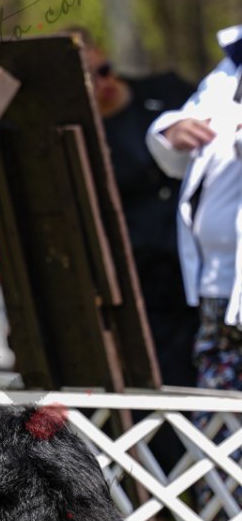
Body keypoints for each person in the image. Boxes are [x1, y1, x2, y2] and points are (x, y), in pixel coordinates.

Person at [71, 28, 198, 387]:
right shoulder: (79, 136)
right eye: (89, 80)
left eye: (104, 69)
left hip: (196, 258)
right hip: (144, 277)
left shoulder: (166, 91)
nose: (103, 83)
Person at [146, 24, 242, 391]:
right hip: (218, 280)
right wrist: (173, 130)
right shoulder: (230, 68)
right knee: (218, 406)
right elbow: (176, 147)